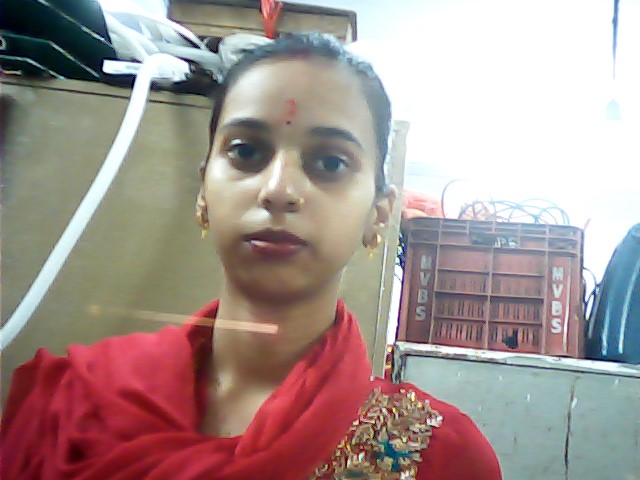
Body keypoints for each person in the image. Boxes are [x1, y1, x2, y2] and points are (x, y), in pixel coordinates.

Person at [2, 33, 502, 479]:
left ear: (379, 214)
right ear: (203, 191)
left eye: (330, 162)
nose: (279, 190)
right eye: (246, 152)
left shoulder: (440, 457)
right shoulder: (70, 403)